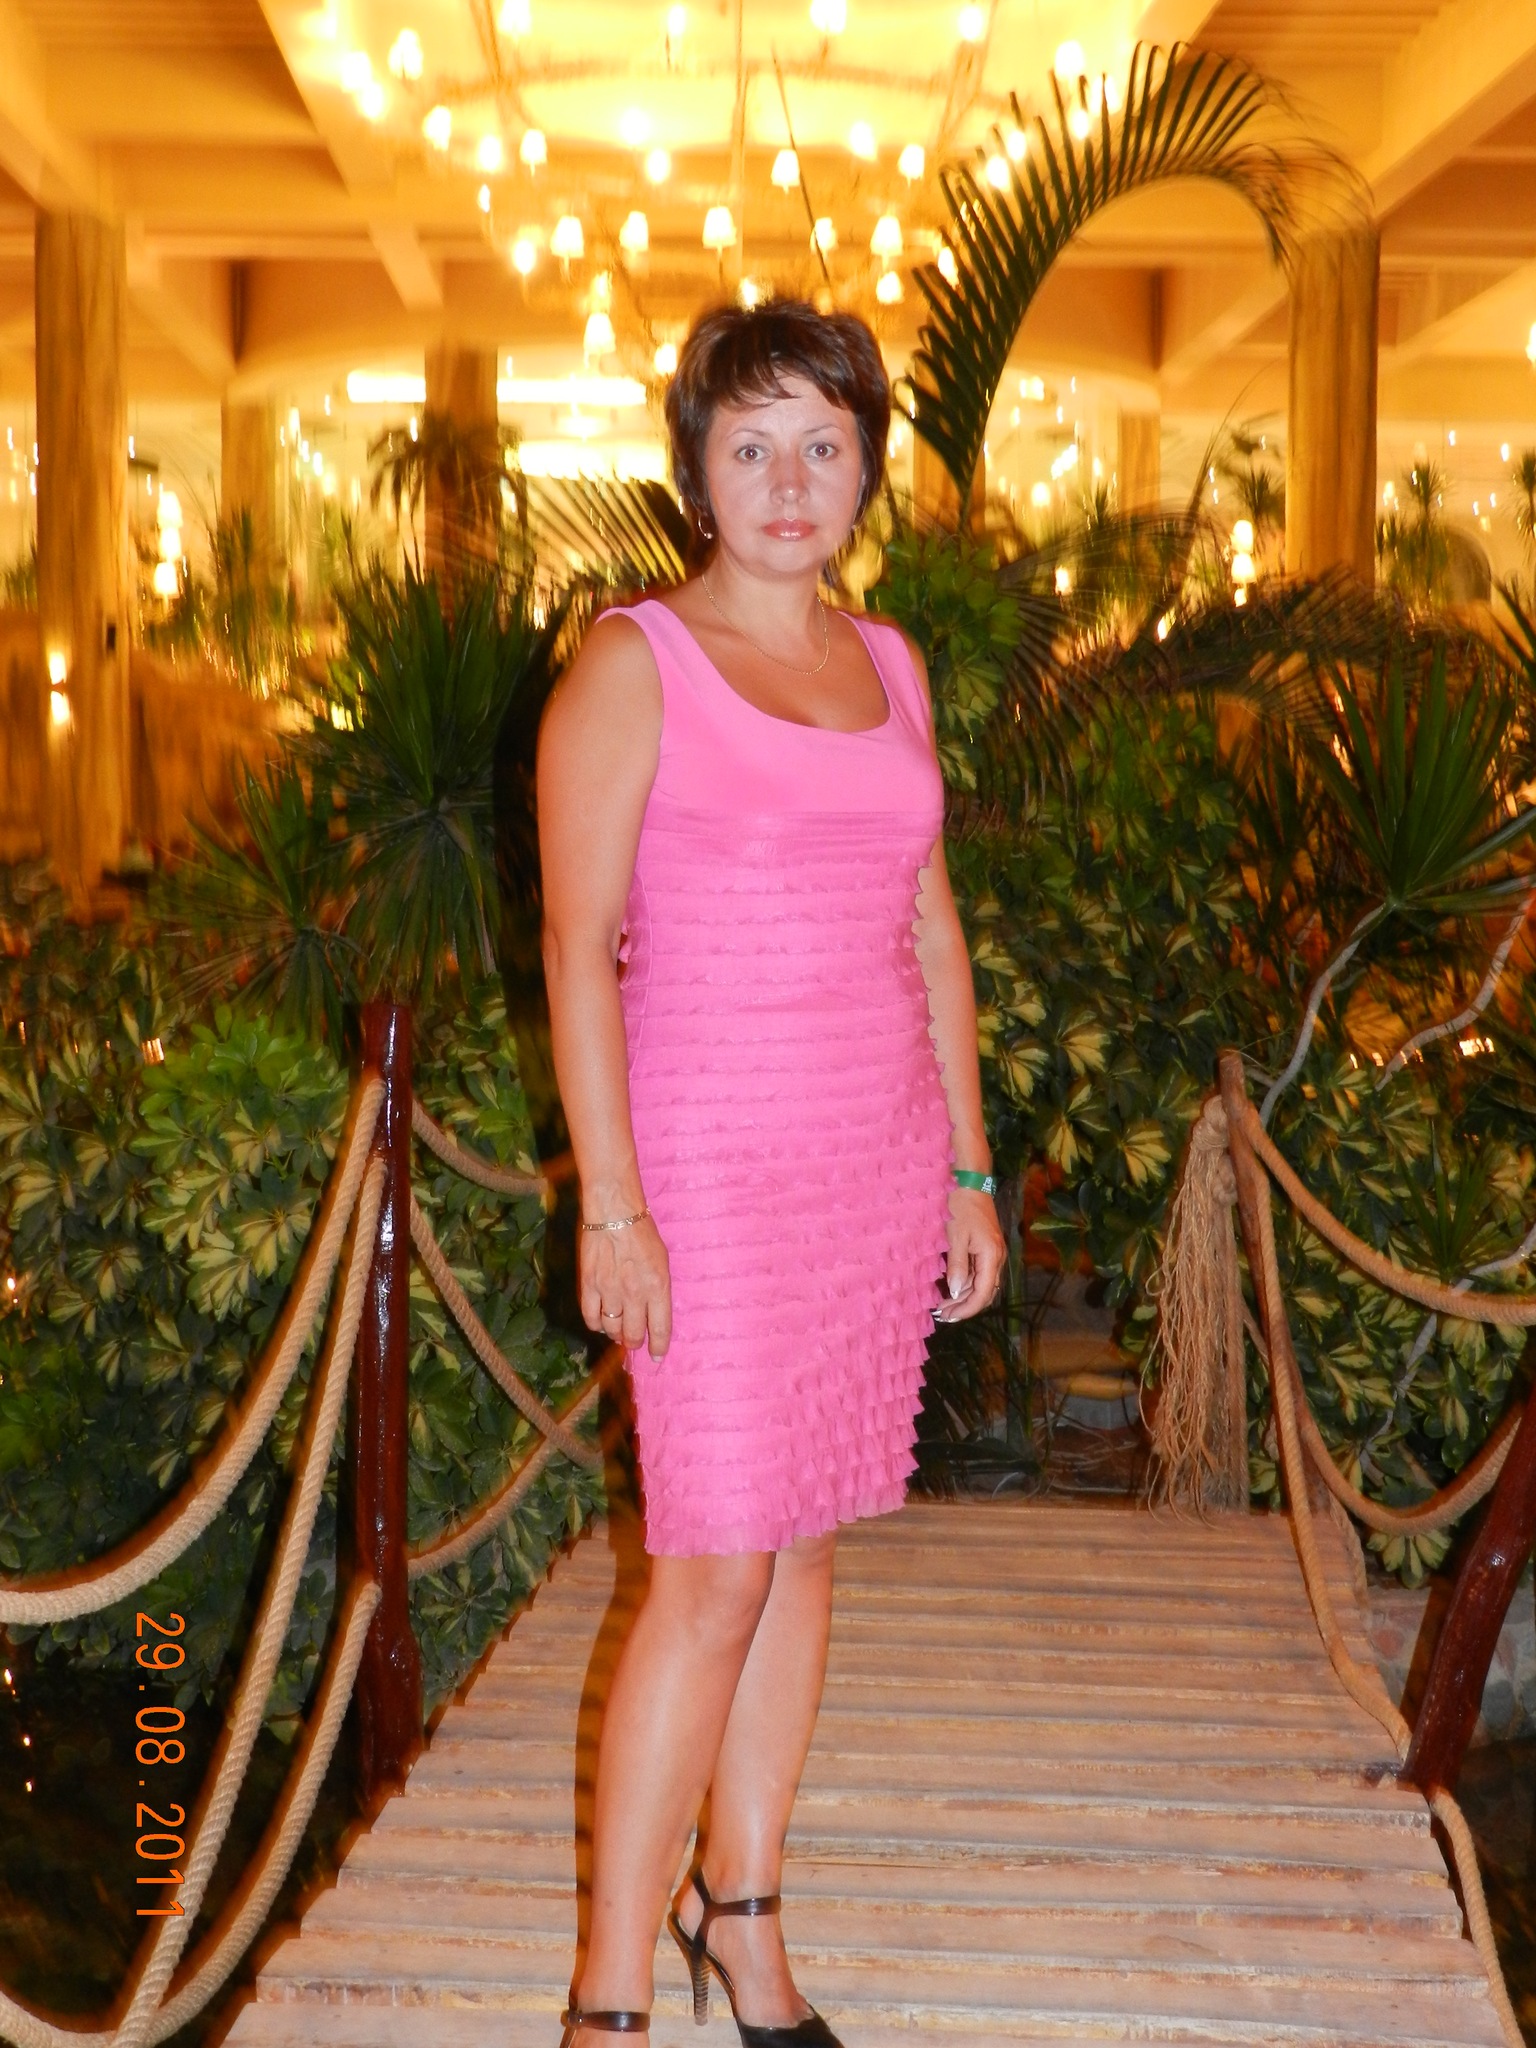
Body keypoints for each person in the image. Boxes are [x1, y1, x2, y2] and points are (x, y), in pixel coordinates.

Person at [537, 296, 1005, 2048]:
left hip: (871, 1158)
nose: (790, 481)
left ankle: (742, 1921)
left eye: (824, 444)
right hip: (708, 1173)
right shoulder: (631, 663)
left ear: (867, 469)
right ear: (698, 472)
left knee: (803, 1551)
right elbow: (577, 949)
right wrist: (612, 1202)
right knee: (715, 1567)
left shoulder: (892, 663)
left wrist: (967, 1169)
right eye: (752, 447)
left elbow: (930, 929)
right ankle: (607, 2000)